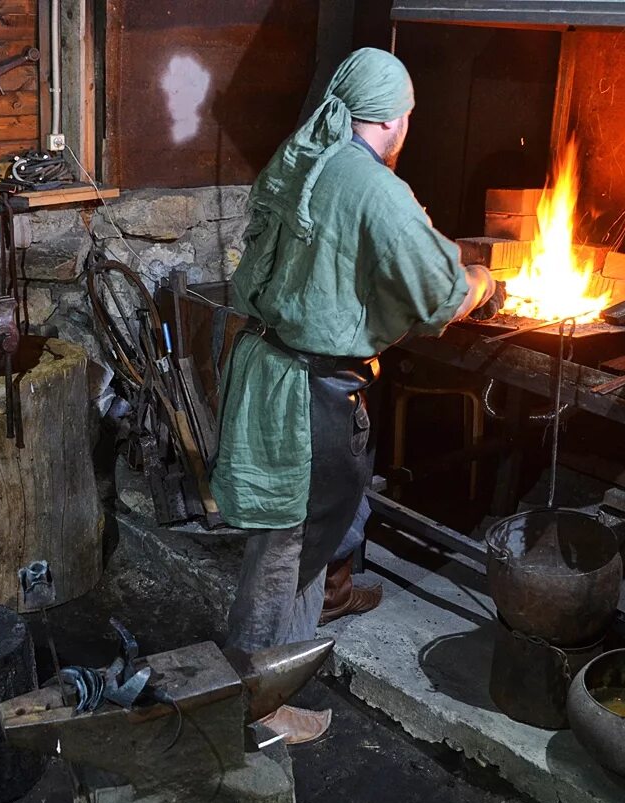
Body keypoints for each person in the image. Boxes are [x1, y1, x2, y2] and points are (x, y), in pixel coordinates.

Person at [210, 47, 506, 745]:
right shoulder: (376, 188)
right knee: (284, 554)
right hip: (309, 395)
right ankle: (253, 706)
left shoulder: (307, 153)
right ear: (396, 120)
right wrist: (486, 282)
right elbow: (439, 292)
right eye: (407, 118)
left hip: (270, 366)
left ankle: (301, 636)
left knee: (301, 540)